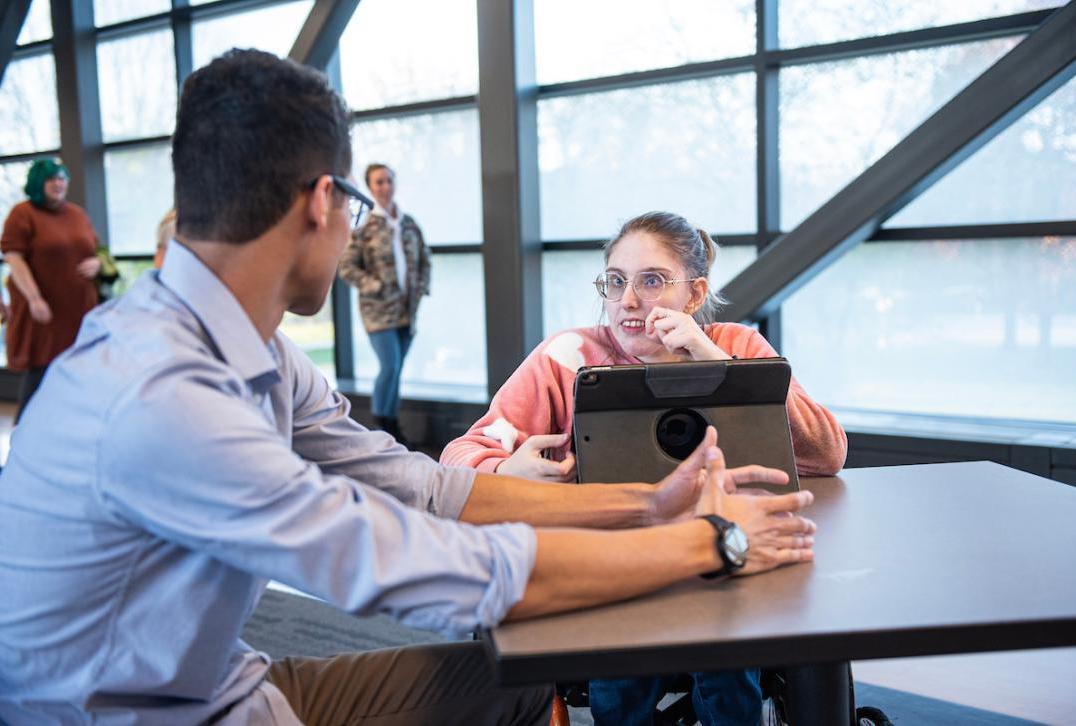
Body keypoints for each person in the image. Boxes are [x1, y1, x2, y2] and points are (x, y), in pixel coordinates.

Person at [0, 50, 817, 726]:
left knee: (517, 688)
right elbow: (424, 569)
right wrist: (715, 540)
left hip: (221, 683)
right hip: (139, 715)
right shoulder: (164, 395)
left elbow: (423, 487)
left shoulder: (252, 350)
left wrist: (645, 507)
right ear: (324, 202)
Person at [442, 211, 848, 725]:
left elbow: (826, 452)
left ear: (694, 294)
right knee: (620, 682)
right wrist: (503, 471)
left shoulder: (736, 347)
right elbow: (462, 452)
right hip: (615, 562)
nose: (628, 301)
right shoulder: (568, 357)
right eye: (616, 282)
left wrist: (713, 361)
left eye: (651, 281)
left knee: (728, 677)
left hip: (723, 559)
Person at [0, 158, 102, 422]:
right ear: (38, 183)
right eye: (51, 179)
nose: (58, 183)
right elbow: (14, 258)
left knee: (79, 369)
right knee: (42, 372)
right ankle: (24, 438)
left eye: (62, 178)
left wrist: (97, 263)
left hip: (78, 309)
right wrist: (34, 298)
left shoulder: (77, 214)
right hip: (43, 312)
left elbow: (96, 250)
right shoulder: (23, 214)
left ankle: (72, 430)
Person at [338, 163, 429, 444]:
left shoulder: (408, 223)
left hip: (407, 311)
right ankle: (380, 426)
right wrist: (374, 286)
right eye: (378, 182)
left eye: (388, 180)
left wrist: (422, 287)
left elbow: (425, 258)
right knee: (389, 366)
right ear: (370, 187)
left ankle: (393, 424)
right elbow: (347, 266)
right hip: (378, 312)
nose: (384, 187)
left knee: (397, 368)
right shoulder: (364, 226)